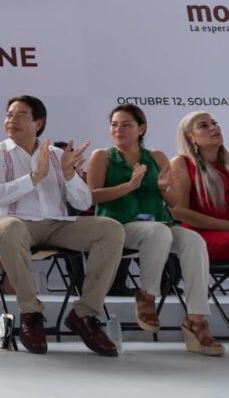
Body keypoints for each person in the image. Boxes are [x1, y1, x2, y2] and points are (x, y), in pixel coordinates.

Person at [0, 95, 124, 357]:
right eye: (9, 114)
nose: (12, 120)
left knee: (110, 229)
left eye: (21, 115)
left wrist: (69, 174)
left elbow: (83, 201)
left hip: (57, 224)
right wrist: (34, 178)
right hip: (15, 223)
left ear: (38, 123)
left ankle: (84, 314)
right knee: (10, 228)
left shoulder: (57, 155)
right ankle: (30, 312)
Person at [88, 105, 221, 355]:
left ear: (141, 129)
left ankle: (196, 319)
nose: (118, 129)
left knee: (193, 240)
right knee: (157, 233)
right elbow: (91, 197)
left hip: (159, 224)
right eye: (114, 124)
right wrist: (128, 186)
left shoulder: (157, 157)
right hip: (117, 226)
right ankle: (147, 294)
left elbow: (173, 203)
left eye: (126, 124)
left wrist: (161, 188)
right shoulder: (102, 156)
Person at [164, 111, 229, 355]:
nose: (214, 128)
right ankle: (196, 322)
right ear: (191, 137)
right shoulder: (181, 163)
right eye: (204, 125)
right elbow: (178, 211)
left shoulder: (227, 163)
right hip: (198, 234)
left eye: (215, 123)